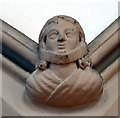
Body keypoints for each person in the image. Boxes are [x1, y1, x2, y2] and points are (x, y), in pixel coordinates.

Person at [25, 15, 103, 108]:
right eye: (53, 35)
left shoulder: (92, 81)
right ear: (44, 43)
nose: (61, 38)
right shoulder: (36, 84)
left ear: (80, 40)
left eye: (69, 34)